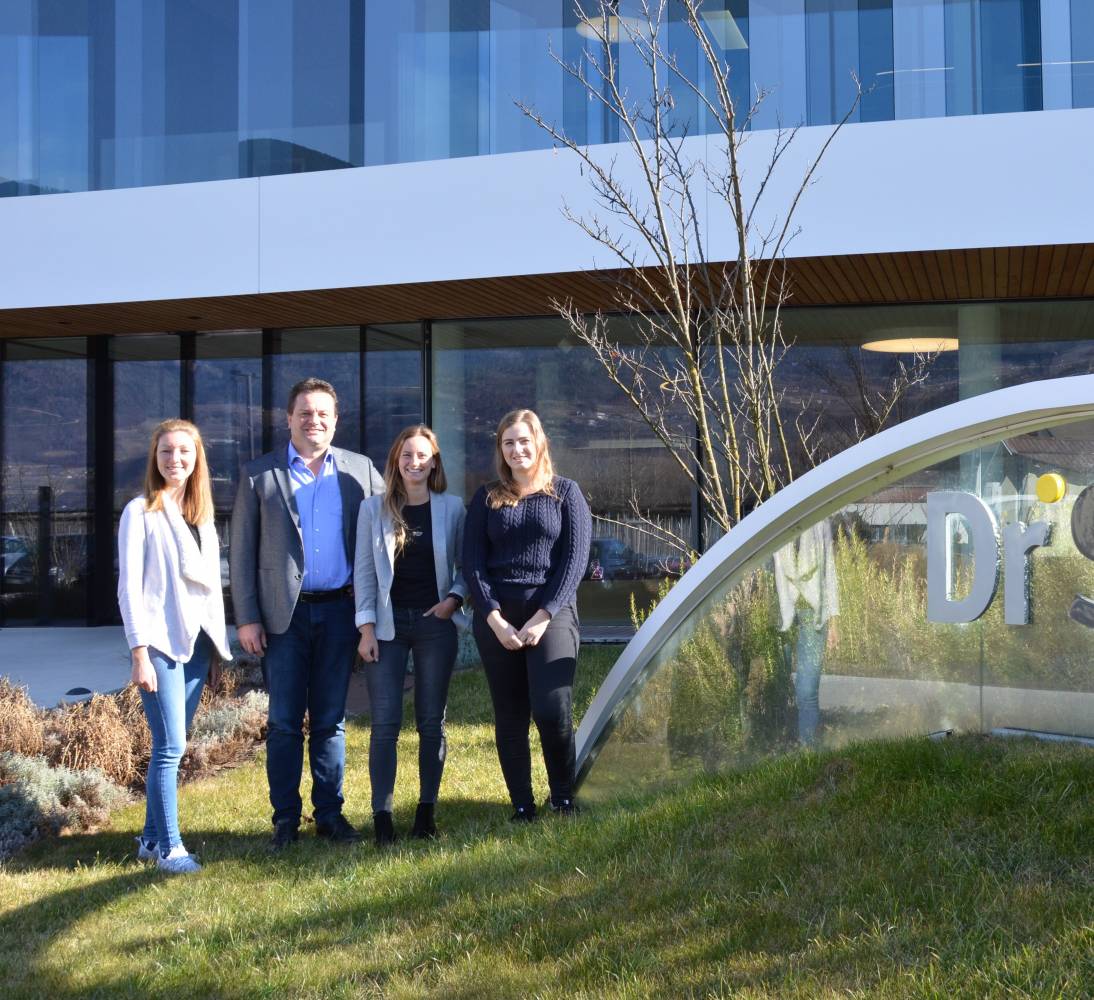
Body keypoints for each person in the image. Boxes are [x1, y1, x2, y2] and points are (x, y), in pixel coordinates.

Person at [230, 377, 384, 849]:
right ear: (289, 418)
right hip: (283, 618)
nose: (313, 421)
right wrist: (247, 617)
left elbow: (385, 539)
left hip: (340, 611)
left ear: (335, 421)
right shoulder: (260, 475)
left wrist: (372, 613)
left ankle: (330, 815)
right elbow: (241, 552)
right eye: (305, 413)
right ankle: (284, 820)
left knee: (330, 720)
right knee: (282, 722)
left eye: (323, 414)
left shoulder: (361, 471)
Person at [463, 408, 591, 820]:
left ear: (539, 444)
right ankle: (522, 804)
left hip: (552, 613)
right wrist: (495, 619)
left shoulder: (567, 493)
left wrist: (543, 616)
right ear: (500, 449)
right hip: (498, 617)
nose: (517, 449)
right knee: (511, 714)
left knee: (551, 709)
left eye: (523, 441)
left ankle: (563, 797)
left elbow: (574, 562)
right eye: (508, 443)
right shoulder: (486, 497)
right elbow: (473, 563)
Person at [118, 419, 232, 874]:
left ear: (196, 458)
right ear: (155, 458)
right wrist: (138, 652)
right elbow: (128, 588)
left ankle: (148, 839)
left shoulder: (202, 516)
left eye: (184, 451)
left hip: (197, 644)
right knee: (170, 746)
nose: (175, 459)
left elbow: (209, 589)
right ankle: (170, 849)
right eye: (166, 451)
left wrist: (220, 644)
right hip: (159, 645)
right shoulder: (139, 512)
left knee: (173, 744)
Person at [354, 426, 468, 845]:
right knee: (384, 724)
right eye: (407, 456)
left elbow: (466, 567)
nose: (414, 463)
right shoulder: (373, 510)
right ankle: (382, 819)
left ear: (434, 461)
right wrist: (366, 628)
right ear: (396, 461)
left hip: (434, 625)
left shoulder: (452, 508)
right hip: (386, 628)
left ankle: (425, 813)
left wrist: (452, 600)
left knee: (430, 722)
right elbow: (364, 572)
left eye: (422, 456)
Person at [773, 518, 839, 746]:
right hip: (782, 614)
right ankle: (780, 747)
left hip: (813, 615)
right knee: (777, 687)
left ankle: (808, 752)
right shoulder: (777, 517)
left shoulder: (819, 519)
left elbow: (829, 568)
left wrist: (834, 621)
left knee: (807, 690)